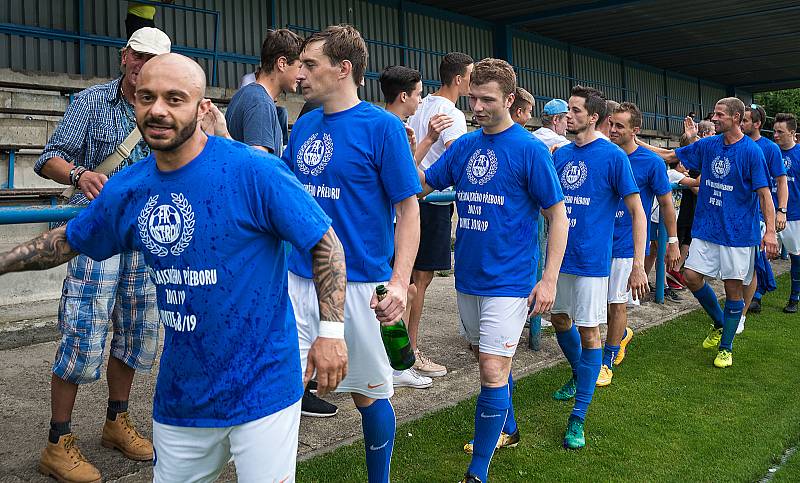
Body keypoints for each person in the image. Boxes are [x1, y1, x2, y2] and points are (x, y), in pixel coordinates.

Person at [3, 53, 348, 482]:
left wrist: (331, 333)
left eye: (175, 98)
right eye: (147, 97)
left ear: (203, 108)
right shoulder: (130, 189)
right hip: (182, 398)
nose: (158, 110)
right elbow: (63, 242)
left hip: (264, 389)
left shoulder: (253, 171)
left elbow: (324, 242)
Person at [29, 27, 170, 482]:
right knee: (83, 331)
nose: (142, 67)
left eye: (153, 61)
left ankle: (116, 422)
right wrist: (79, 175)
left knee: (138, 332)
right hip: (96, 237)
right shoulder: (93, 102)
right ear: (124, 56)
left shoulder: (164, 107)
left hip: (145, 238)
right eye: (139, 57)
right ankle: (58, 441)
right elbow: (48, 157)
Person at [418, 58, 568, 483]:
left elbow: (557, 217)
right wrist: (417, 144)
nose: (477, 107)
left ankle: (477, 472)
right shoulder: (464, 146)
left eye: (487, 100)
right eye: (473, 98)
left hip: (511, 278)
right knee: (485, 357)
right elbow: (419, 185)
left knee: (490, 367)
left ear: (509, 99)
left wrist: (549, 279)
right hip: (468, 276)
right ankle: (510, 427)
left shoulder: (530, 150)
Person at [283, 25, 421, 483]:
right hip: (299, 279)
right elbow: (282, 195)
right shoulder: (304, 124)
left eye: (309, 64)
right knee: (282, 390)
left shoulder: (382, 127)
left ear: (344, 69)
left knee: (369, 392)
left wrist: (399, 282)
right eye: (300, 64)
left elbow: (408, 207)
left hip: (361, 284)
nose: (299, 73)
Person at [640, 97, 778, 368]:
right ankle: (719, 323)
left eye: (720, 115)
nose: (714, 118)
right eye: (714, 114)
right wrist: (633, 143)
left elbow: (764, 195)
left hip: (738, 233)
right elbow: (669, 156)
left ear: (736, 118)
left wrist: (770, 231)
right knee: (691, 276)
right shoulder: (708, 145)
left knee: (733, 289)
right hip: (706, 229)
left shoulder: (752, 152)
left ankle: (726, 347)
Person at [550, 85, 647, 450]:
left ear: (594, 117)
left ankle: (578, 417)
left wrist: (638, 265)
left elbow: (638, 213)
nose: (568, 116)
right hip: (558, 259)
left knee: (591, 333)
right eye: (568, 110)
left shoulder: (612, 157)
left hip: (592, 262)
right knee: (560, 320)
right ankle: (580, 374)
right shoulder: (560, 155)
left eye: (575, 110)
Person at [379, 65, 453, 389]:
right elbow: (409, 184)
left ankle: (396, 364)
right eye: (419, 94)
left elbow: (405, 171)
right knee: (400, 293)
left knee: (404, 291)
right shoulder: (388, 127)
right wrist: (428, 141)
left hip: (388, 226)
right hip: (389, 227)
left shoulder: (392, 127)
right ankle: (395, 365)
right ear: (404, 95)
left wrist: (416, 146)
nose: (421, 101)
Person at [406, 52, 474, 379]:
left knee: (405, 278)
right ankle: (410, 352)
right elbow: (457, 157)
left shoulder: (421, 104)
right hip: (431, 201)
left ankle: (398, 351)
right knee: (420, 279)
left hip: (410, 198)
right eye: (471, 76)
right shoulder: (451, 113)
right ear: (459, 79)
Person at [600, 102, 678, 386]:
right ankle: (620, 336)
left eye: (620, 126)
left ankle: (606, 361)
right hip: (598, 241)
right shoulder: (603, 155)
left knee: (616, 304)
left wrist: (672, 241)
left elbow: (667, 204)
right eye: (611, 124)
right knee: (598, 307)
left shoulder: (651, 162)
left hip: (626, 243)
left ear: (636, 130)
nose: (614, 130)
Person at [738, 104, 788, 328]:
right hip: (738, 213)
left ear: (757, 124)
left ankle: (744, 311)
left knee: (753, 261)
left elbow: (781, 180)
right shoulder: (735, 144)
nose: (741, 124)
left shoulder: (769, 148)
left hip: (759, 214)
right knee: (742, 264)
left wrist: (781, 210)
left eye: (746, 121)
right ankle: (744, 302)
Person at [225, 29, 302, 156]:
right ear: (282, 64)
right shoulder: (260, 103)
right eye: (300, 66)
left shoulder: (245, 95)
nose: (302, 75)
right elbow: (258, 167)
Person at [771, 113, 800, 313]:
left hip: (794, 215)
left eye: (780, 132)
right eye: (774, 131)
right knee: (760, 255)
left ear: (792, 133)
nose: (775, 135)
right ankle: (755, 297)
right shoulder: (771, 152)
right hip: (768, 213)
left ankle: (794, 297)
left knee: (796, 258)